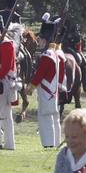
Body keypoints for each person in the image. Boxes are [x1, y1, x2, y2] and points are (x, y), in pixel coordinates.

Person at [28, 13, 66, 149]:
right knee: (53, 117)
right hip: (52, 90)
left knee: (45, 118)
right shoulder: (55, 54)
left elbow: (39, 75)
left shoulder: (46, 55)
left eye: (41, 39)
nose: (40, 42)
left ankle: (49, 144)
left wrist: (30, 87)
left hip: (46, 90)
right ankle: (54, 142)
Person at [0, 20, 21, 150]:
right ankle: (7, 143)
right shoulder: (2, 43)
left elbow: (6, 66)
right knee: (4, 114)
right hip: (3, 80)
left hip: (4, 82)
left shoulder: (6, 44)